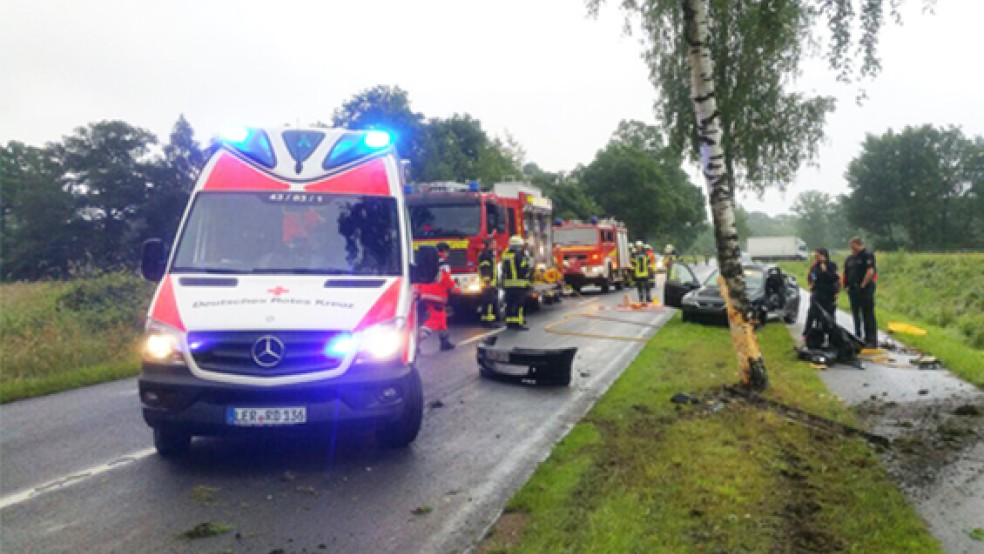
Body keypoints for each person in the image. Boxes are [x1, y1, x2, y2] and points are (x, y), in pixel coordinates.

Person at [418, 242, 459, 350]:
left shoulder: (429, 261)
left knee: (442, 317)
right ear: (445, 251)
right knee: (435, 319)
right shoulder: (443, 264)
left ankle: (444, 341)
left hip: (425, 292)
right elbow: (445, 279)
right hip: (436, 295)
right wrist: (455, 289)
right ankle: (417, 340)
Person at [843, 236, 878, 347]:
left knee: (867, 314)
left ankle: (871, 340)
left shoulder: (867, 255)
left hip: (864, 289)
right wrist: (847, 286)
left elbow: (870, 271)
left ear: (858, 244)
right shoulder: (850, 258)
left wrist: (863, 285)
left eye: (852, 246)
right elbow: (846, 273)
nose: (851, 248)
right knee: (855, 314)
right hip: (852, 289)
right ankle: (857, 336)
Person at [802, 248, 839, 344]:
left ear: (823, 255)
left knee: (829, 315)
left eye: (817, 255)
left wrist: (824, 270)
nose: (816, 257)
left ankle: (832, 336)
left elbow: (834, 278)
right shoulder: (814, 266)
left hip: (828, 293)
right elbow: (811, 276)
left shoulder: (831, 265)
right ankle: (807, 334)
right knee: (812, 314)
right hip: (817, 293)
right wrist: (810, 284)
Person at [501, 235, 532, 330]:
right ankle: (518, 323)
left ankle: (510, 322)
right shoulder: (519, 256)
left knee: (509, 304)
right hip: (519, 284)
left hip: (508, 284)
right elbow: (524, 269)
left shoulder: (505, 255)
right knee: (519, 305)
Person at [477, 238, 500, 327]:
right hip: (487, 284)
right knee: (488, 302)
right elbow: (485, 268)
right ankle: (488, 321)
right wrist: (487, 281)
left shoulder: (488, 254)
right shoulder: (486, 255)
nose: (495, 246)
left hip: (489, 283)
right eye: (494, 244)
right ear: (489, 244)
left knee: (489, 302)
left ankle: (488, 320)